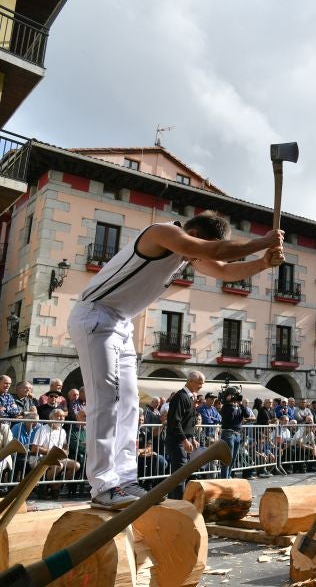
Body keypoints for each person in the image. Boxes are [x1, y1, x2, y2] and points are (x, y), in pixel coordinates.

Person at [68, 210, 283, 510]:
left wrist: (261, 263)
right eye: (200, 245)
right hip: (96, 314)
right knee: (107, 401)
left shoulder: (185, 253)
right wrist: (263, 242)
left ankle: (125, 480)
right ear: (194, 235)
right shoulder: (162, 233)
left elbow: (222, 269)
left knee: (129, 403)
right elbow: (215, 251)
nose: (198, 254)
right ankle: (103, 485)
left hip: (120, 322)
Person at [165, 371, 205, 499]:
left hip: (182, 440)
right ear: (190, 381)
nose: (201, 386)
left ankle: (173, 502)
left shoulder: (188, 397)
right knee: (180, 475)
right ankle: (178, 504)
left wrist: (191, 438)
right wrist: (184, 440)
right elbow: (174, 422)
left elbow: (187, 421)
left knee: (180, 475)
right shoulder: (181, 397)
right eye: (199, 383)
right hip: (177, 442)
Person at [219, 387, 252, 479]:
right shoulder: (226, 407)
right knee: (227, 459)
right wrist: (230, 404)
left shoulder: (238, 406)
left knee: (233, 459)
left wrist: (240, 404)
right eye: (235, 394)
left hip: (237, 434)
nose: (236, 397)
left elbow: (247, 415)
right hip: (228, 434)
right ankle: (224, 479)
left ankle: (228, 476)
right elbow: (230, 418)